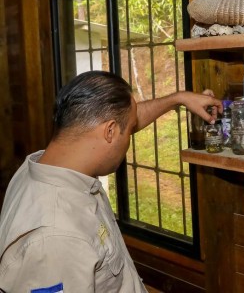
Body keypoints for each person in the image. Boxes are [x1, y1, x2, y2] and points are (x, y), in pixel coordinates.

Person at [0, 71, 222, 292]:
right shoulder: (56, 239)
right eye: (129, 132)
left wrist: (179, 98)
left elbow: (125, 120)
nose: (130, 138)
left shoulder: (45, 164)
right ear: (109, 131)